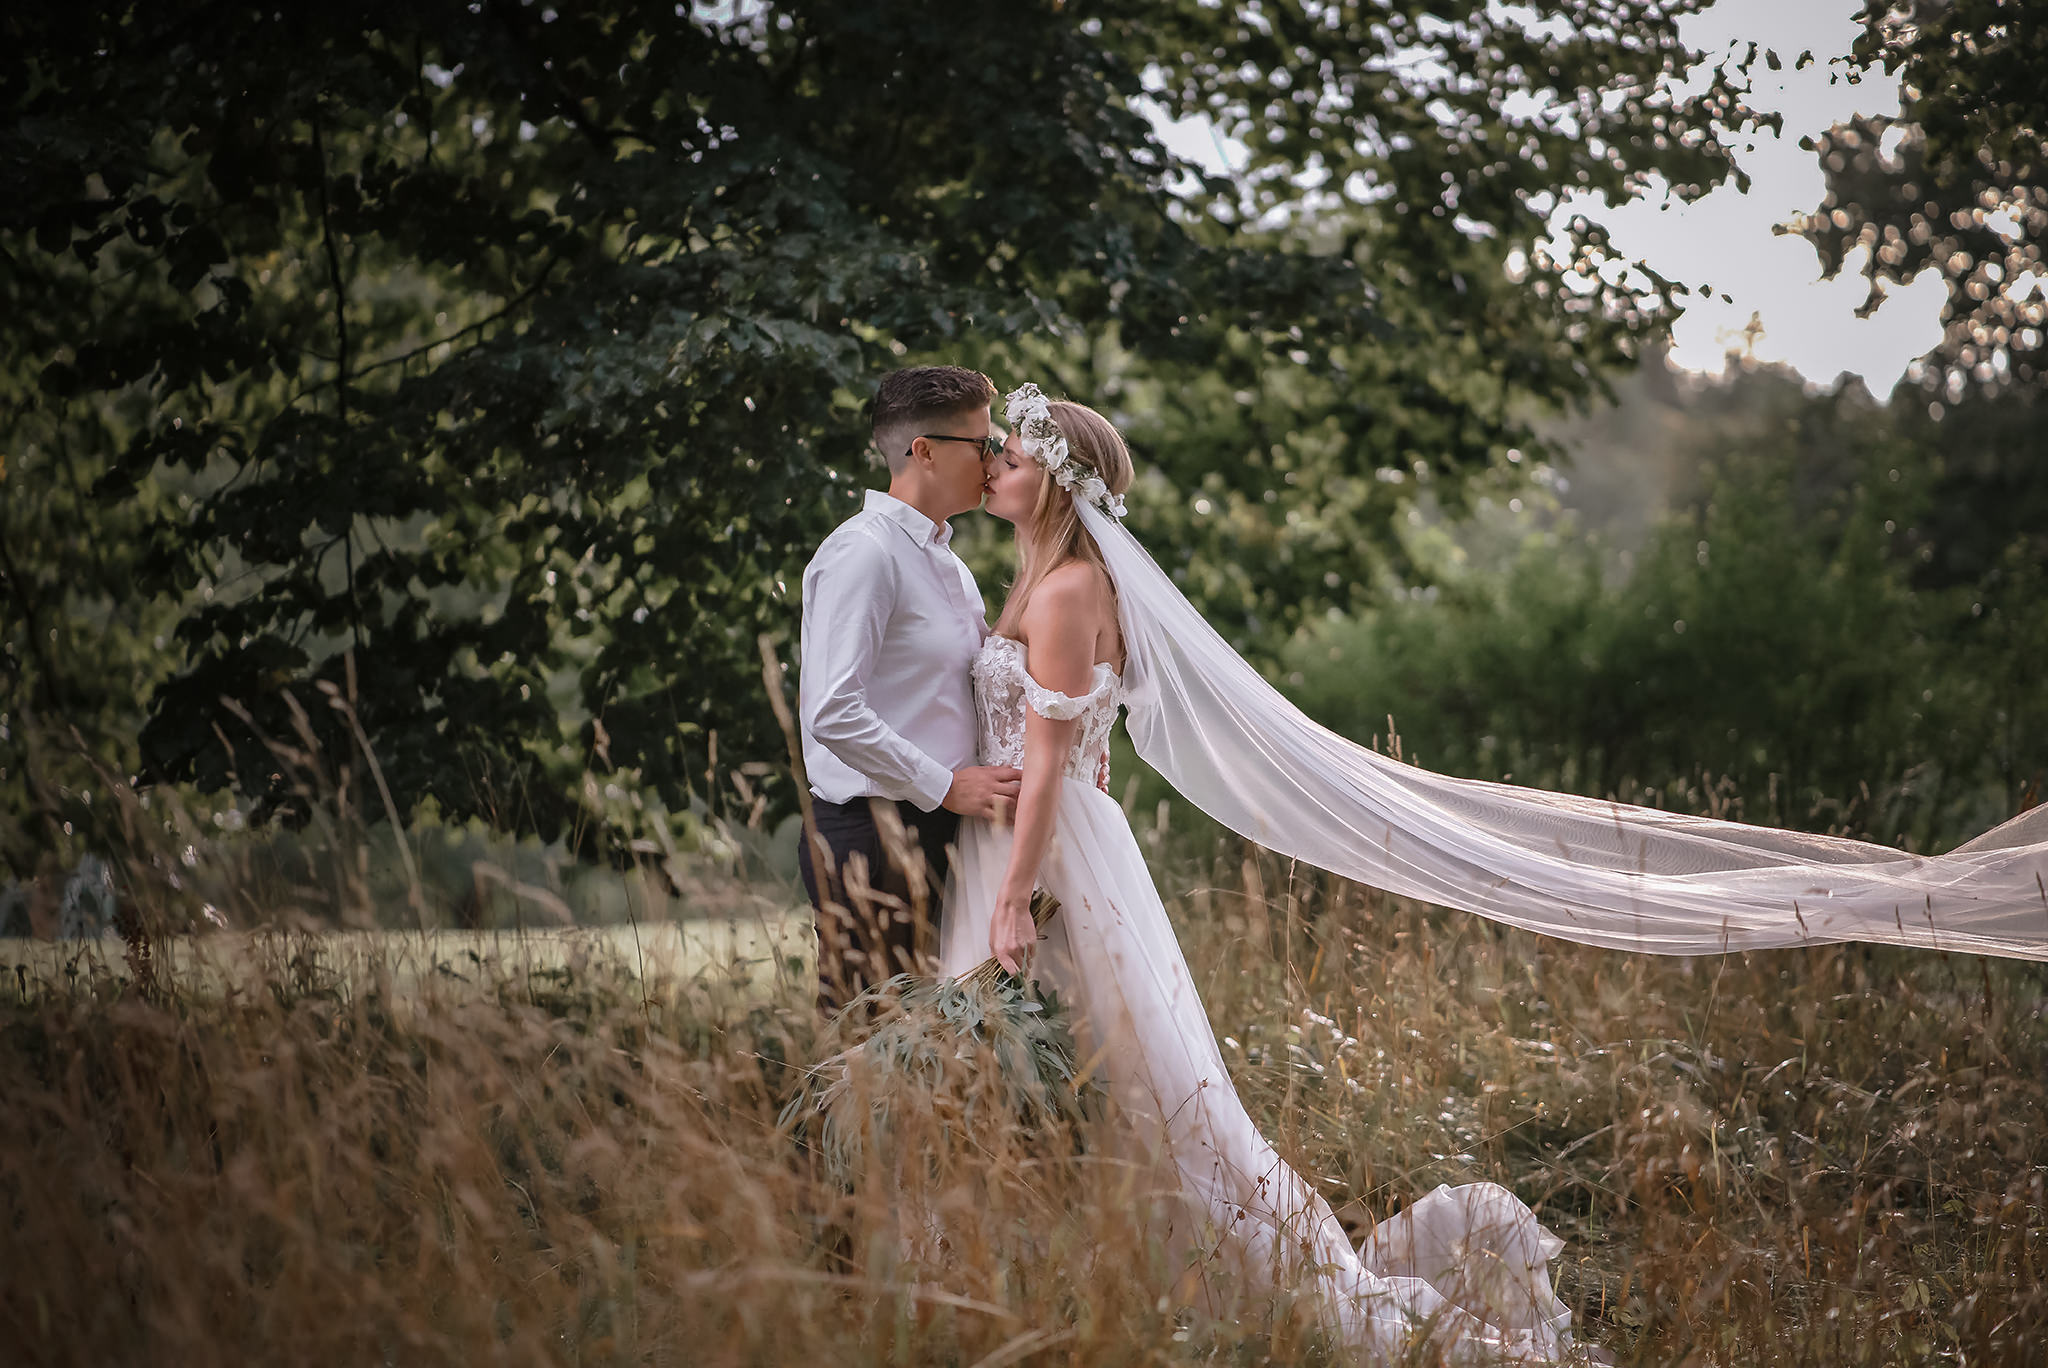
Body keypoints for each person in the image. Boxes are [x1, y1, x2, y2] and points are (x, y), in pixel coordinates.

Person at [938, 381, 2048, 1360]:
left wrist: (1013, 897)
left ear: (1063, 482)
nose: (997, 469)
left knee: (1131, 1087)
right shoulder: (1038, 582)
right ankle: (1088, 1278)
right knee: (1086, 1080)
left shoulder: (1071, 594)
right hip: (1046, 846)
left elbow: (1047, 765)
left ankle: (1211, 1291)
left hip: (1055, 857)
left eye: (1016, 457)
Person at [794, 365, 1021, 1016]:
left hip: (940, 833)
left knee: (934, 1057)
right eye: (981, 443)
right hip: (871, 837)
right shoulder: (864, 554)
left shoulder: (947, 560)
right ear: (923, 451)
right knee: (870, 1054)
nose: (994, 457)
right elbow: (833, 713)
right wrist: (947, 785)